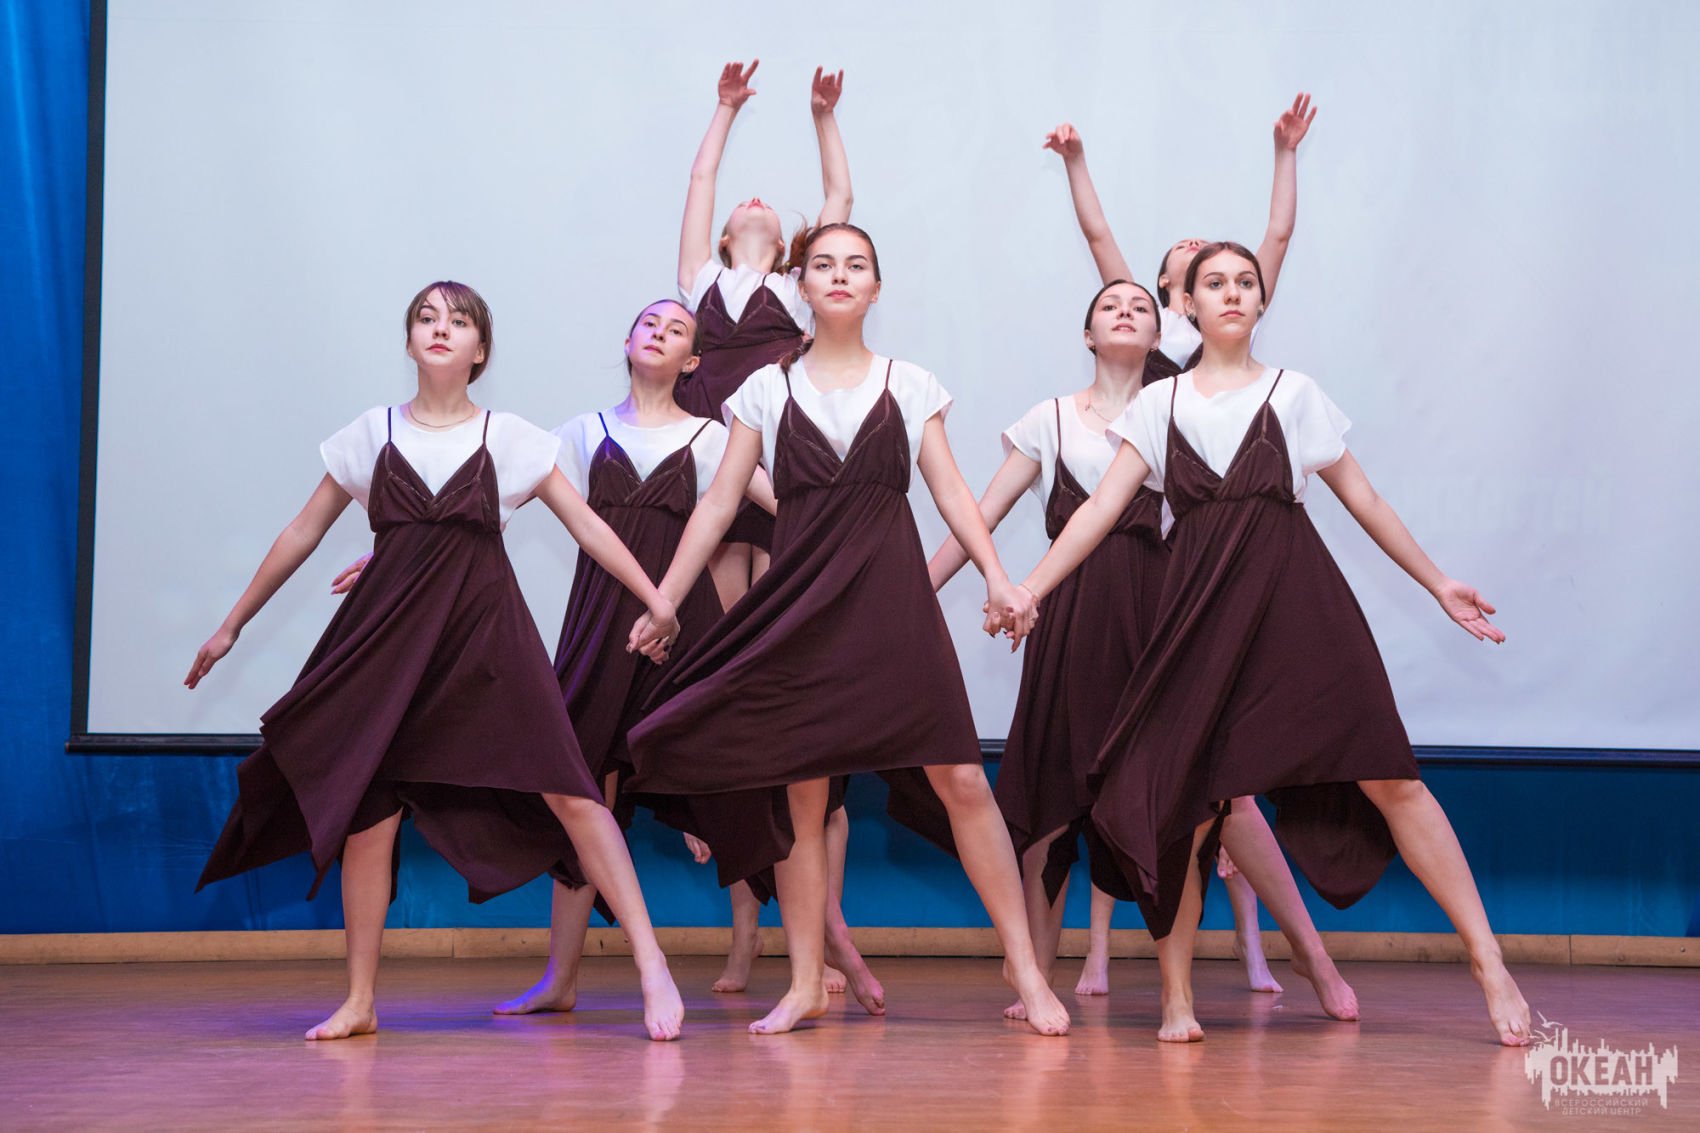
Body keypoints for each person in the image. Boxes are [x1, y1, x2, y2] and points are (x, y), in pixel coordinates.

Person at [1010, 244, 1530, 1046]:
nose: (1232, 293)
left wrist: (1437, 582)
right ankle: (1177, 997)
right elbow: (1098, 511)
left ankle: (1488, 959)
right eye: (1214, 283)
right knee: (1184, 804)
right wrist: (1031, 588)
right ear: (1185, 305)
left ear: (1261, 301)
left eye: (1245, 283)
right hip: (1200, 616)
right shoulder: (1157, 403)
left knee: (1391, 777)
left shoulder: (1295, 394)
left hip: (1298, 603)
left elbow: (1365, 499)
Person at [188, 282, 684, 1042]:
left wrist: (657, 598)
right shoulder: (371, 433)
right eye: (426, 317)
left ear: (481, 350)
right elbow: (302, 532)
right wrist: (231, 626)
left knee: (573, 792)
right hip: (389, 641)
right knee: (368, 813)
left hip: (485, 639)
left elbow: (587, 526)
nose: (440, 328)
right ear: (410, 341)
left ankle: (652, 964)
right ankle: (360, 999)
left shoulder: (509, 437)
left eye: (458, 320)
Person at [625, 224, 1070, 1037]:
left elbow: (952, 492)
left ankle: (1028, 970)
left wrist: (999, 577)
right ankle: (804, 982)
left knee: (963, 780)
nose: (838, 275)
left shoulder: (910, 383)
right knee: (802, 793)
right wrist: (665, 599)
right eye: (823, 264)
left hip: (891, 601)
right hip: (800, 606)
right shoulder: (763, 390)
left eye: (855, 265)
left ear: (875, 288)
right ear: (801, 286)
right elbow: (719, 504)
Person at [930, 280, 1353, 1022]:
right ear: (1087, 333)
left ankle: (1311, 954)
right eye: (1109, 305)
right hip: (1071, 623)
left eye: (1140, 307)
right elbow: (979, 514)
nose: (1125, 312)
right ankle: (1035, 975)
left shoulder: (1181, 407)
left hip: (1166, 614)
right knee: (1049, 799)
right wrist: (917, 592)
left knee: (1221, 794)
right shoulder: (1047, 419)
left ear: (1161, 334)